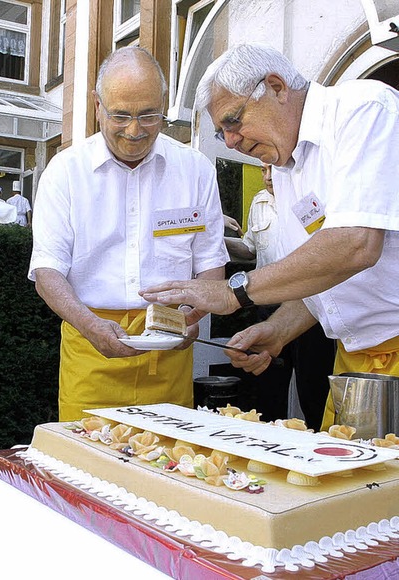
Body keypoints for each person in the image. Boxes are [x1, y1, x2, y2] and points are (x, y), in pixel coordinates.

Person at [140, 43, 399, 429]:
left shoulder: (364, 109)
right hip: (355, 362)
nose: (230, 141)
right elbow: (322, 278)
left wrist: (233, 291)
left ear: (276, 86)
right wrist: (278, 331)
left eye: (233, 121)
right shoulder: (284, 167)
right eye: (222, 131)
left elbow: (356, 244)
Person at [29, 46, 228, 421]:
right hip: (91, 350)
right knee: (87, 469)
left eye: (149, 116)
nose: (135, 131)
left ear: (165, 105)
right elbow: (47, 273)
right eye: (120, 115)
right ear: (97, 105)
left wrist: (190, 315)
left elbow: (210, 267)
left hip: (168, 352)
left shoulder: (196, 169)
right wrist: (90, 325)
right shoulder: (65, 171)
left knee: (170, 465)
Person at [224, 163, 335, 429]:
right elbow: (250, 249)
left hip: (310, 307)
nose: (268, 176)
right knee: (267, 389)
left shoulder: (311, 197)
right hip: (266, 307)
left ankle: (319, 446)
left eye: (273, 169)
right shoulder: (259, 202)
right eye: (263, 170)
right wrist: (216, 239)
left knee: (314, 388)